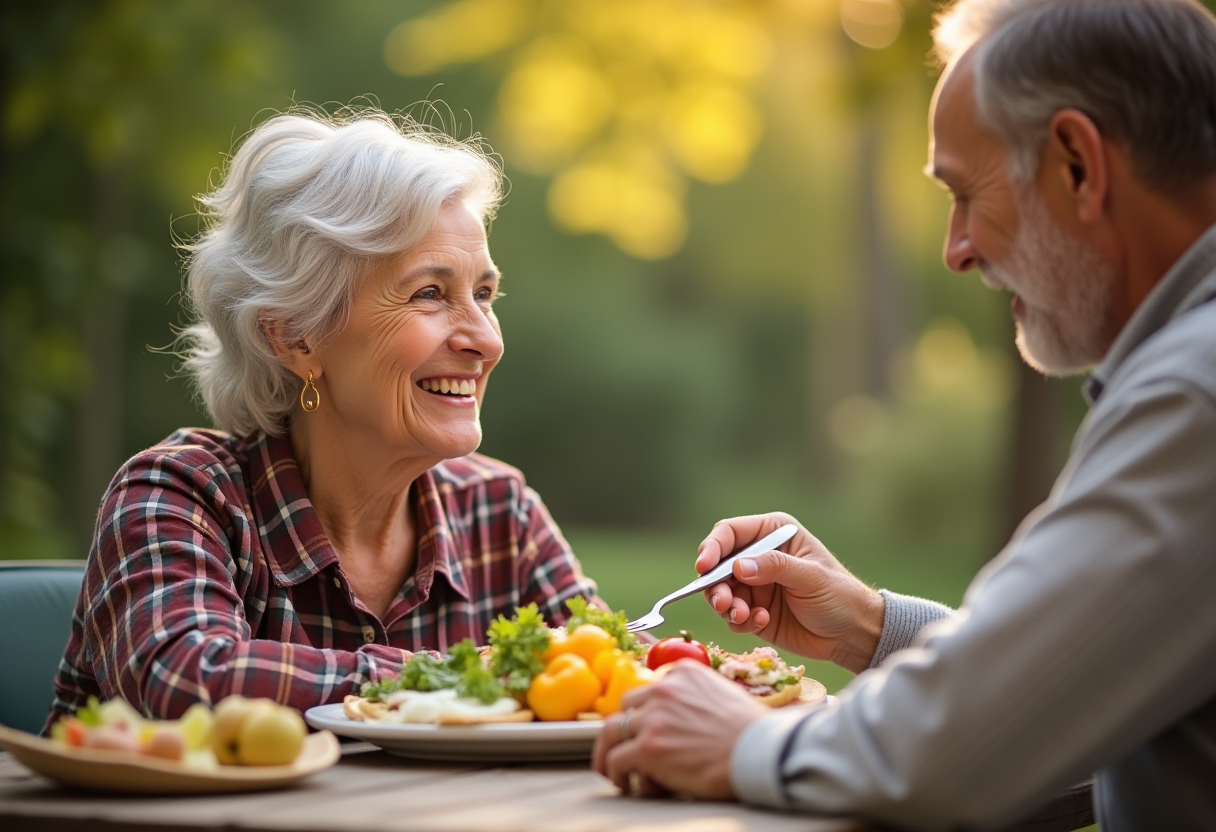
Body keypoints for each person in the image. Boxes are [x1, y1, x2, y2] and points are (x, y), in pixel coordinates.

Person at [593, 0, 1216, 828]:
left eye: (966, 193)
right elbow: (1071, 691)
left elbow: (950, 753)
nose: (956, 250)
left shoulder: (1195, 390)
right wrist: (871, 625)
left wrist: (745, 742)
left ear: (1077, 165)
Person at [46, 109, 603, 727]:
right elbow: (185, 677)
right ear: (296, 337)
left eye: (484, 295)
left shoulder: (500, 513)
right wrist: (454, 679)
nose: (486, 341)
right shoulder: (179, 496)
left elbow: (611, 673)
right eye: (429, 294)